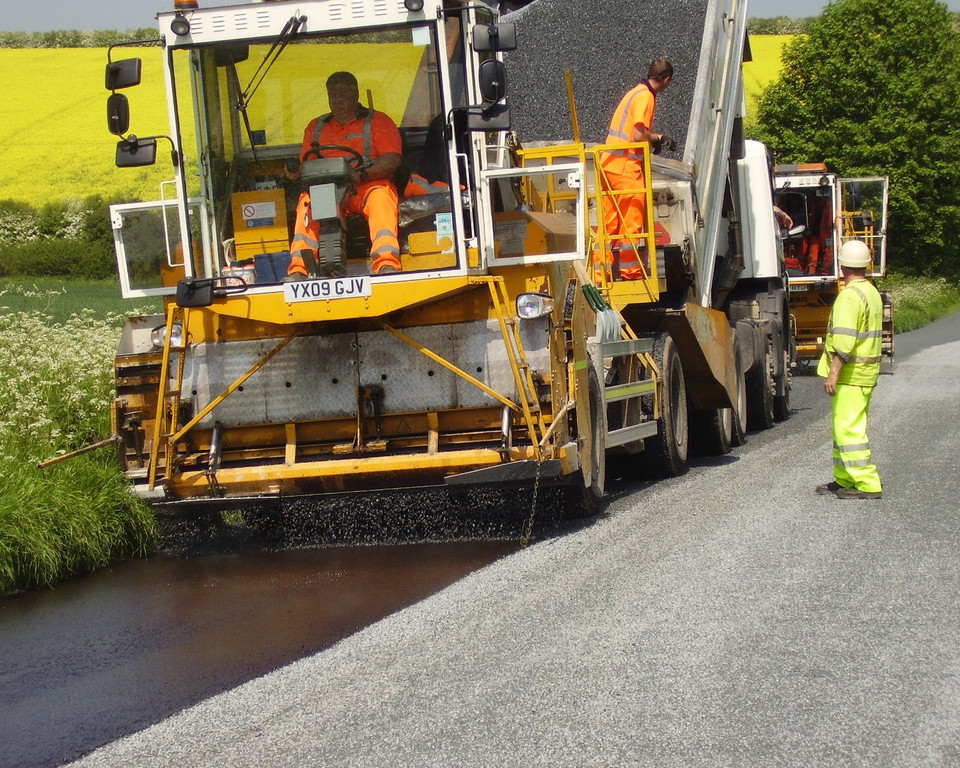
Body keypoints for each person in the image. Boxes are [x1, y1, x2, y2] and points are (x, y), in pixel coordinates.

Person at [287, 71, 403, 278]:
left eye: (344, 93)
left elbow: (391, 160)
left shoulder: (378, 121)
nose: (339, 99)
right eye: (334, 95)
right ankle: (299, 269)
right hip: (327, 191)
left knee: (381, 198)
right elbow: (305, 165)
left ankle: (387, 264)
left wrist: (362, 176)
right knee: (307, 201)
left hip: (366, 186)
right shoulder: (316, 127)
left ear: (356, 94)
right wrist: (295, 171)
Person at [815, 239, 883, 499]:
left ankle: (867, 483)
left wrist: (833, 374)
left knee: (849, 430)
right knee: (844, 427)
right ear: (866, 264)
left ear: (842, 266)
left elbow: (843, 342)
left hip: (851, 376)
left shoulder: (849, 297)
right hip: (864, 374)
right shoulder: (871, 292)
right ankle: (844, 479)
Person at [598, 59, 674, 281]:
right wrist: (657, 138)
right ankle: (630, 272)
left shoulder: (634, 93)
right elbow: (639, 135)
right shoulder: (646, 97)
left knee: (609, 224)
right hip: (625, 167)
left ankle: (599, 274)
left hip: (609, 163)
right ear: (666, 80)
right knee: (631, 221)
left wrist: (654, 139)